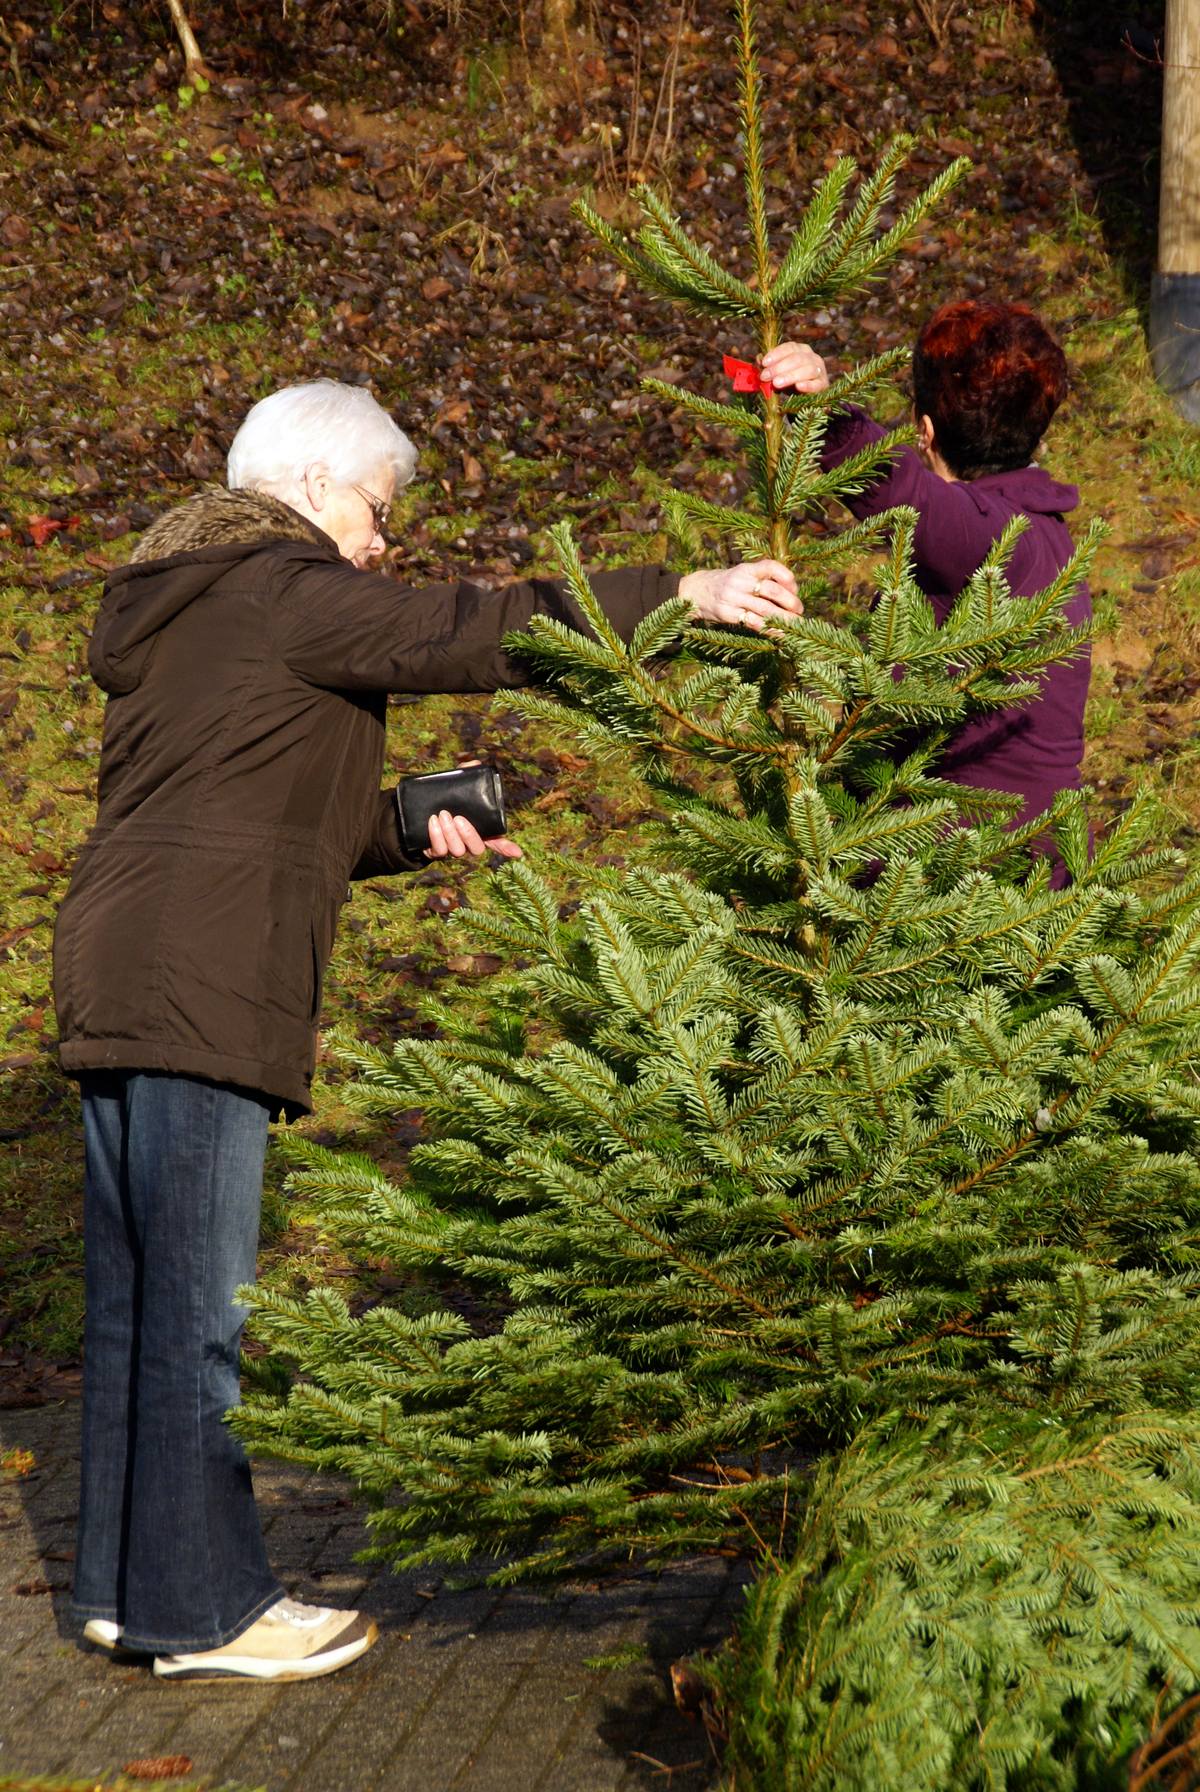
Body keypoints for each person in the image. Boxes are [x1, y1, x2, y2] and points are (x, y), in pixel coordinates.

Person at [51, 378, 800, 1684]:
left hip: (124, 964)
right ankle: (205, 1613)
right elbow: (470, 631)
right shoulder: (278, 583)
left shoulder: (190, 611)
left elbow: (267, 813)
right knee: (196, 1320)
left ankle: (127, 1592)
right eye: (379, 509)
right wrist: (678, 595)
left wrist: (408, 826)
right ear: (310, 484)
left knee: (138, 1306)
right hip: (203, 981)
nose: (384, 543)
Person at [761, 300, 1089, 878]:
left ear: (925, 429)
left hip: (964, 875)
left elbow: (903, 494)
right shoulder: (1048, 534)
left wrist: (826, 411)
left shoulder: (1001, 536)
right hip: (1035, 858)